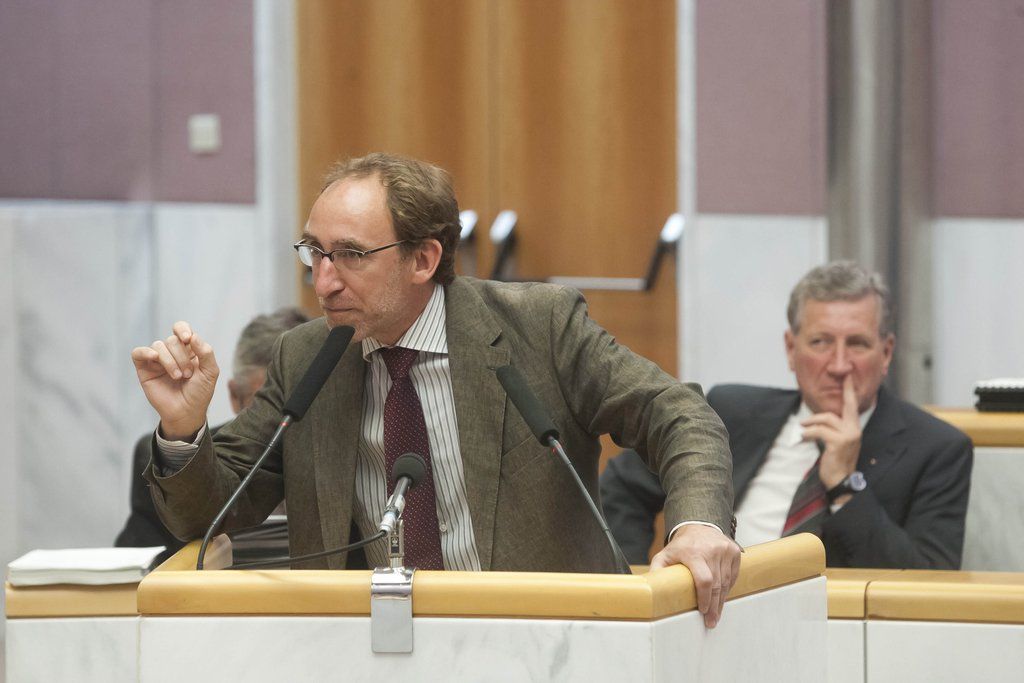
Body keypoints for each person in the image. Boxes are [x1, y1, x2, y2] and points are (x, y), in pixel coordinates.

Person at [131, 152, 740, 628]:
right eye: (315, 252)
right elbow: (212, 511)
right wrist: (184, 428)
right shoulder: (308, 356)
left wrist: (699, 526)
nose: (323, 282)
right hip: (372, 650)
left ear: (424, 259)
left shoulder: (539, 328)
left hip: (547, 639)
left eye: (350, 255)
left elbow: (677, 413)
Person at [601, 261, 973, 569]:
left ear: (886, 353)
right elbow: (622, 488)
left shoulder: (937, 448)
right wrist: (632, 583)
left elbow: (929, 584)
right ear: (791, 350)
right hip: (715, 611)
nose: (839, 365)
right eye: (820, 342)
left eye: (857, 344)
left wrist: (845, 486)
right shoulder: (732, 411)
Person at [115, 307, 309, 563]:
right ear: (234, 396)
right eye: (266, 406)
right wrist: (181, 427)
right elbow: (138, 569)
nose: (284, 426)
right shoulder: (178, 459)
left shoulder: (350, 447)